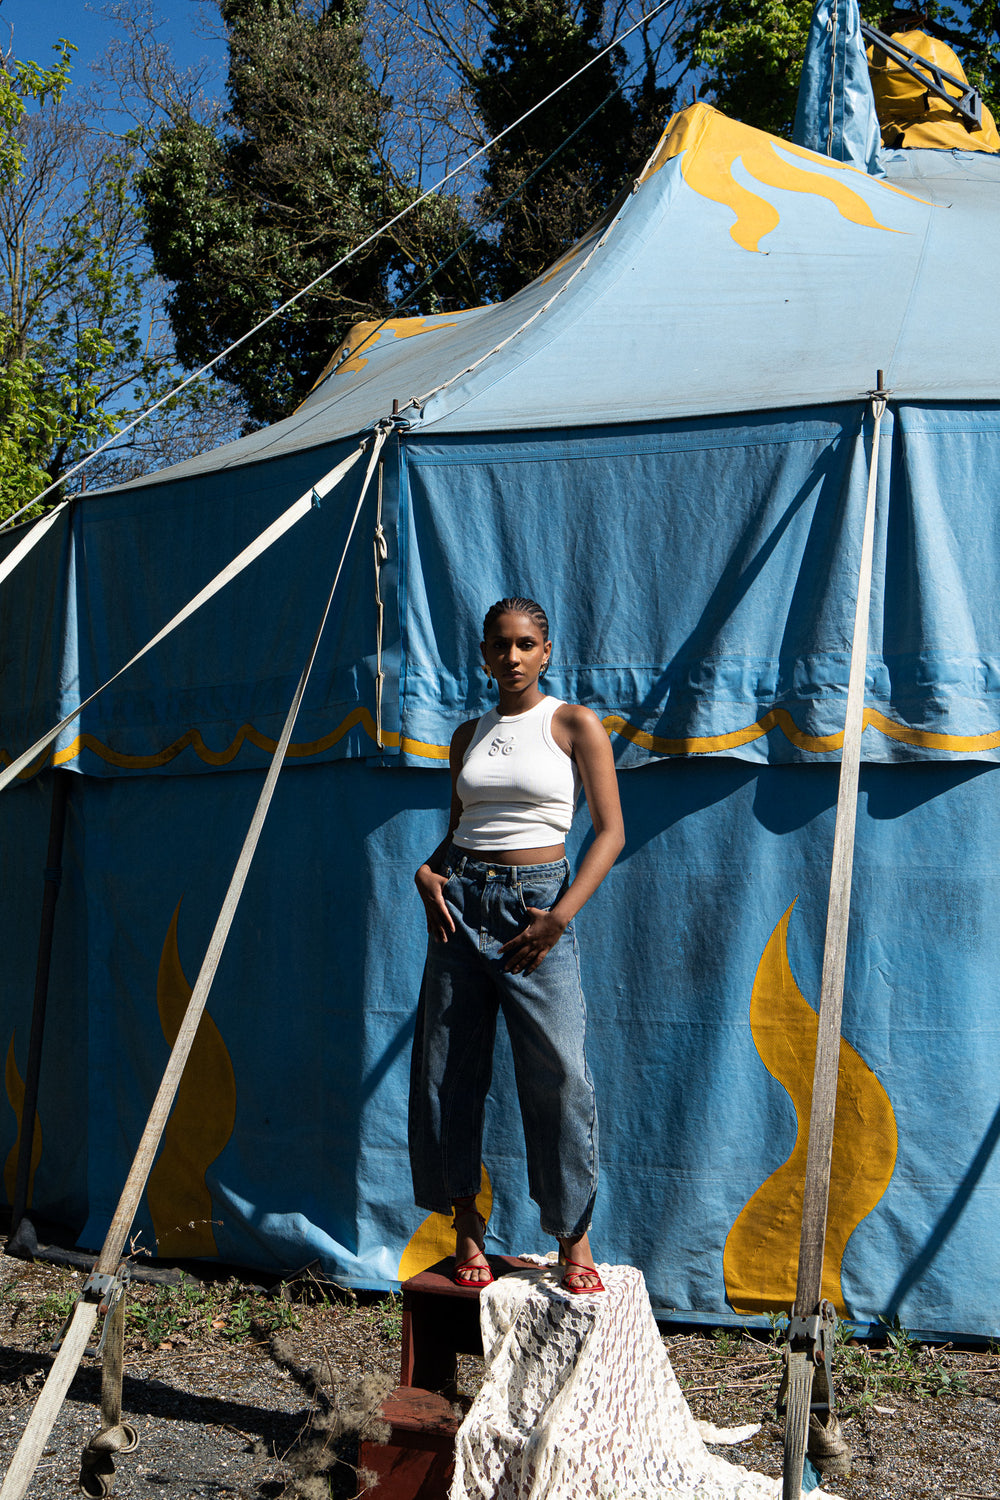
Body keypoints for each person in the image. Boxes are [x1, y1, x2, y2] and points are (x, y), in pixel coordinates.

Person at [408, 596, 625, 1294]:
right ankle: (466, 1226)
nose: (512, 657)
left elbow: (611, 832)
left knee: (558, 1075)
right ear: (483, 654)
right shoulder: (467, 735)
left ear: (547, 650)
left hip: (536, 908)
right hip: (460, 906)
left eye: (525, 644)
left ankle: (572, 1235)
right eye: (499, 645)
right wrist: (427, 871)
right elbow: (461, 828)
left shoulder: (573, 723)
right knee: (446, 1074)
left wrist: (558, 917)